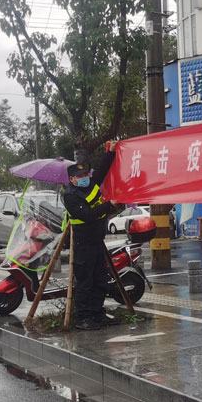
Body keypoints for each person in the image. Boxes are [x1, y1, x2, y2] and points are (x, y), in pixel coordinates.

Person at [64, 142, 122, 331]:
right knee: (85, 282)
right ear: (72, 179)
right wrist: (108, 205)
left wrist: (110, 152)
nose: (84, 178)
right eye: (80, 176)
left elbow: (102, 170)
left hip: (97, 242)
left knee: (100, 280)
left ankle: (98, 314)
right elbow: (88, 215)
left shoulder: (92, 185)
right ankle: (83, 318)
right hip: (83, 244)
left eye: (85, 175)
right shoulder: (70, 196)